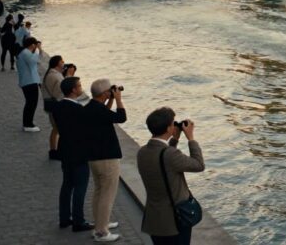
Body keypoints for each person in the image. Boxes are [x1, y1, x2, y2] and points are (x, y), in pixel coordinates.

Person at [137, 108, 205, 245]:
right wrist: (191, 138)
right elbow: (198, 165)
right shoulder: (170, 155)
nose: (175, 126)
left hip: (153, 219)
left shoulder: (142, 152)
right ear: (169, 128)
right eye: (173, 123)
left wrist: (174, 139)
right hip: (174, 221)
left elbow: (163, 160)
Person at [83, 78, 127, 242]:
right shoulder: (99, 110)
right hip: (106, 158)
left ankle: (101, 223)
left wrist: (109, 100)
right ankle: (102, 232)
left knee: (99, 192)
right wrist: (118, 100)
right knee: (107, 195)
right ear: (104, 93)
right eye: (110, 90)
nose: (113, 92)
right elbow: (120, 118)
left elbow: (106, 116)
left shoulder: (91, 107)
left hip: (94, 157)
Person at [52, 76, 94, 232]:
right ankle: (79, 221)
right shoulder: (78, 110)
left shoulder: (57, 107)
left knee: (67, 185)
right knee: (80, 187)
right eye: (79, 85)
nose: (81, 87)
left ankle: (64, 218)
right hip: (79, 152)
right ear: (73, 90)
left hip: (65, 150)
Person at [42, 54, 66, 159]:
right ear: (57, 63)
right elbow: (58, 93)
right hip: (55, 105)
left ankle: (54, 151)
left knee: (56, 128)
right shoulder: (54, 75)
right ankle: (55, 151)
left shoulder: (53, 74)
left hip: (52, 105)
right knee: (58, 128)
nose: (63, 63)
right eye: (62, 61)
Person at [17, 37, 42, 131]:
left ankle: (28, 122)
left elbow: (36, 62)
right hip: (29, 82)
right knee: (31, 103)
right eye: (35, 45)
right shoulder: (26, 53)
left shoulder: (25, 53)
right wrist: (37, 51)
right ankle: (27, 124)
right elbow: (33, 62)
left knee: (31, 103)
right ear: (32, 45)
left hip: (28, 81)